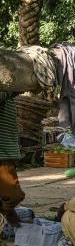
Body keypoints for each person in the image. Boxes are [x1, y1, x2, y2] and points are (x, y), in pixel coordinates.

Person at [0, 92, 24, 228]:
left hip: (7, 152)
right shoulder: (7, 89)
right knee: (13, 195)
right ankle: (9, 215)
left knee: (5, 196)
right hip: (2, 154)